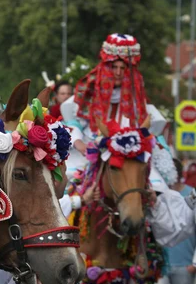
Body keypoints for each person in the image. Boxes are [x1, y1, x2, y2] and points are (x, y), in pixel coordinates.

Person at [60, 34, 166, 178]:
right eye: (114, 67)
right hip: (88, 154)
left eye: (122, 68)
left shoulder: (138, 103)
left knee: (156, 186)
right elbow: (74, 123)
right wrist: (79, 144)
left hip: (128, 158)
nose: (117, 73)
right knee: (67, 183)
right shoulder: (88, 94)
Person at [143, 158, 196, 284]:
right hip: (160, 265)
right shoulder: (155, 197)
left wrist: (195, 262)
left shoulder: (191, 195)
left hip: (185, 264)